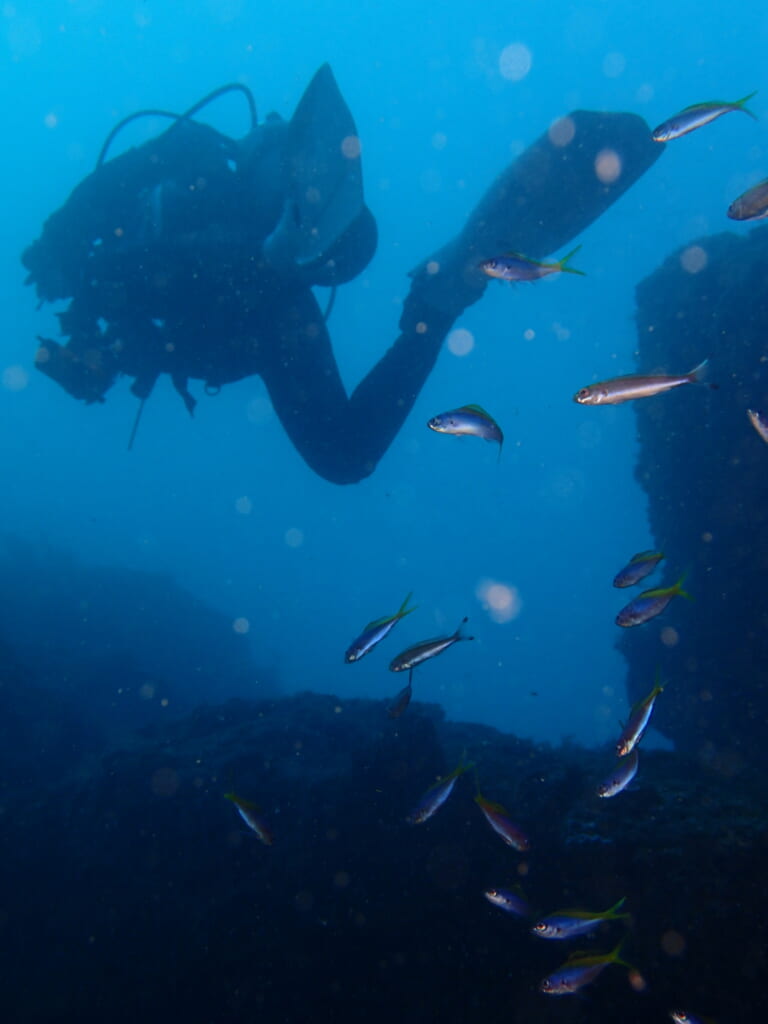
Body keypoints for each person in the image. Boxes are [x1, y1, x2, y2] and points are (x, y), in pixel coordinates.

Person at [22, 64, 662, 484]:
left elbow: (151, 175)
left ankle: (415, 293)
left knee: (344, 452)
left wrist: (57, 247)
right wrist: (103, 350)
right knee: (344, 455)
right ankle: (435, 303)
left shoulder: (112, 252)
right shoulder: (129, 302)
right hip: (254, 298)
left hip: (250, 280)